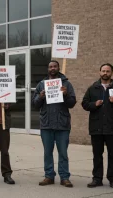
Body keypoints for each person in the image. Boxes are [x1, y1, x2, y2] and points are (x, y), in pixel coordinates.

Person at [32, 60, 76, 188]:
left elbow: (72, 103)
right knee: (47, 152)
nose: (52, 68)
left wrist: (66, 95)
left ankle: (65, 177)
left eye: (55, 66)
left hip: (62, 124)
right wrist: (40, 97)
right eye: (50, 67)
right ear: (48, 69)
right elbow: (34, 104)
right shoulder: (41, 84)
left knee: (63, 152)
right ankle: (49, 176)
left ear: (58, 68)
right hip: (46, 124)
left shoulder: (66, 84)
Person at [81, 63, 113, 189]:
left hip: (112, 127)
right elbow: (84, 104)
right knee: (97, 155)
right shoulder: (93, 88)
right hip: (96, 127)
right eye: (103, 71)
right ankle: (97, 179)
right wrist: (94, 104)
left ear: (111, 72)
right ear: (99, 72)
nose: (105, 73)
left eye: (108, 71)